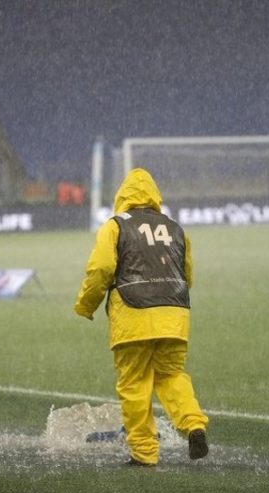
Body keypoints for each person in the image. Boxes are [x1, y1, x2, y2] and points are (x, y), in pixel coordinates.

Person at [74, 167, 209, 467]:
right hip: (174, 314)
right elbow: (187, 274)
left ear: (122, 196)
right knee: (171, 375)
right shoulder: (174, 227)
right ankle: (193, 424)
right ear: (154, 196)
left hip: (133, 315)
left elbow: (100, 270)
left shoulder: (116, 226)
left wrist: (87, 304)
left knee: (134, 382)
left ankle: (145, 452)